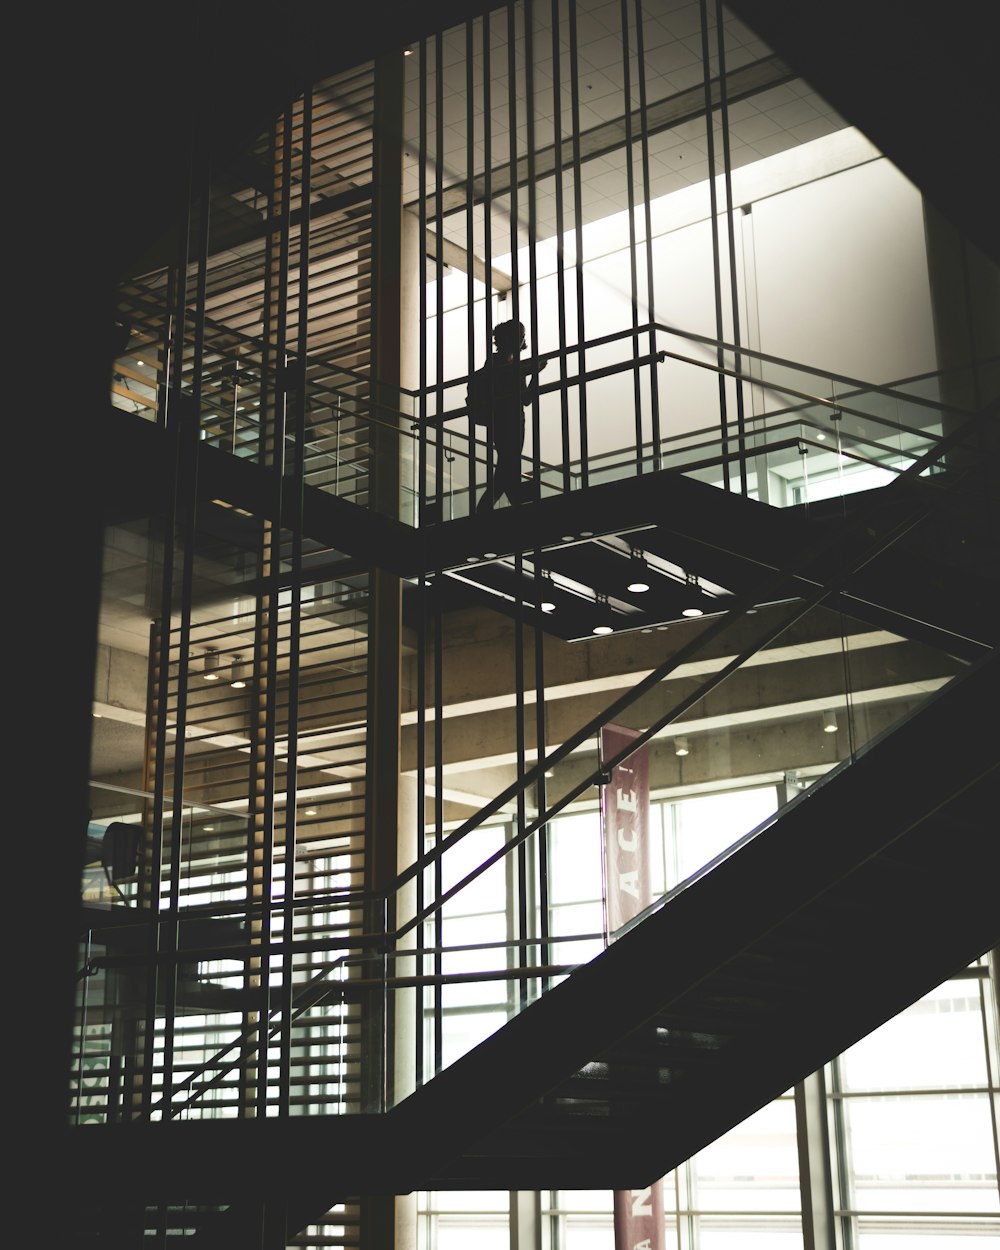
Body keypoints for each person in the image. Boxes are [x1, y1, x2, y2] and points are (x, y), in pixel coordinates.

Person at [476, 320, 548, 513]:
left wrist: (534, 374)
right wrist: (531, 371)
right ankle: (494, 509)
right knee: (507, 466)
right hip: (503, 422)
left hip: (515, 421)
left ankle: (494, 508)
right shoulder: (496, 363)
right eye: (519, 335)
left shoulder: (516, 365)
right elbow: (508, 392)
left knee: (507, 467)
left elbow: (525, 399)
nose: (522, 339)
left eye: (522, 335)